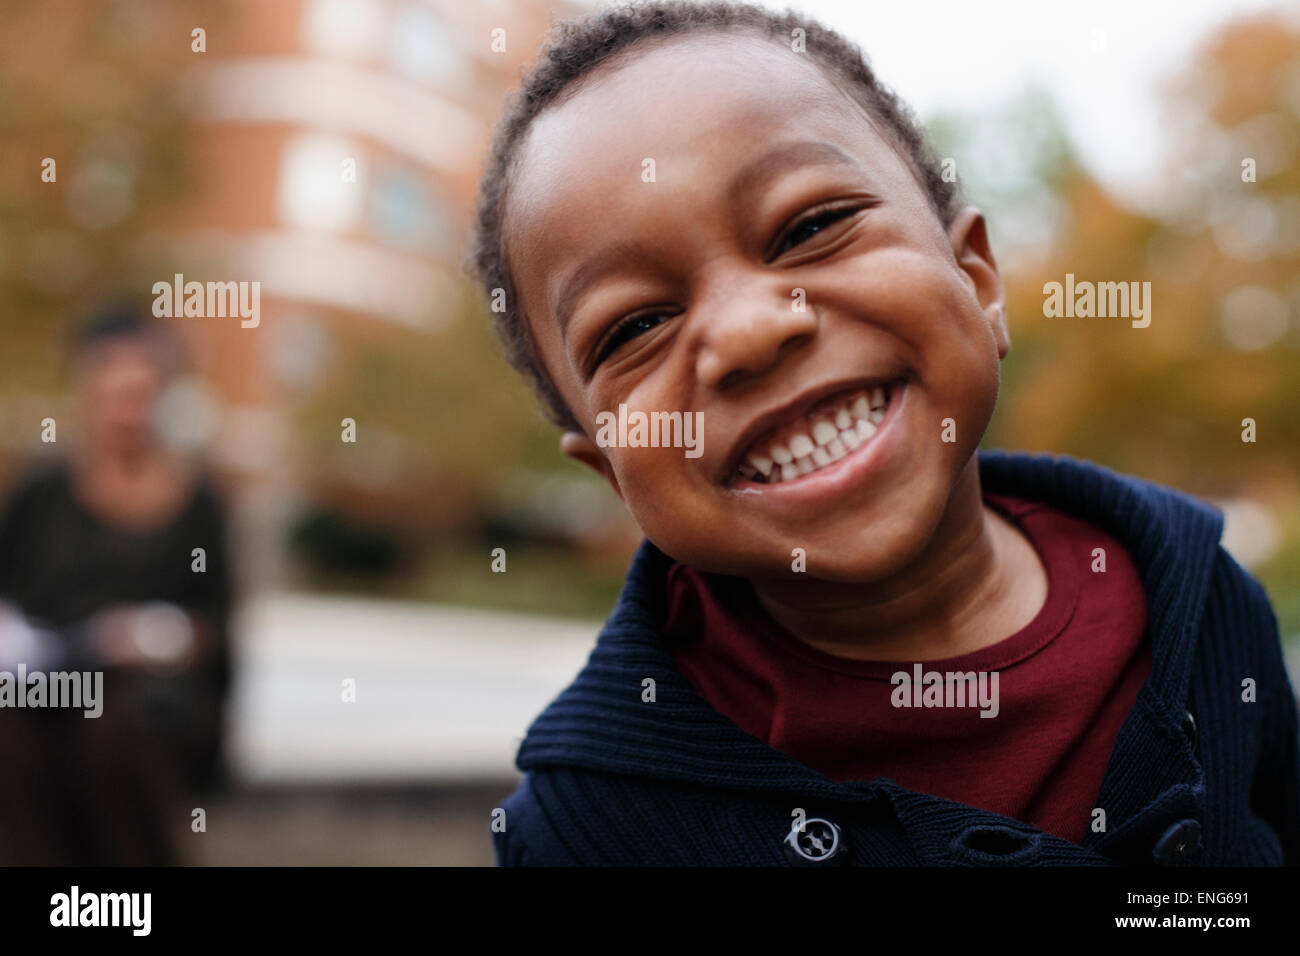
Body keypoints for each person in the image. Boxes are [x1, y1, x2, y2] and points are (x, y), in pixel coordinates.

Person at [465, 1, 1300, 865]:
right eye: (634, 326)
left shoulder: (1204, 609)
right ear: (611, 473)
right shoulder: (584, 833)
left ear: (977, 284)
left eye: (811, 228)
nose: (751, 330)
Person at [0, 302, 234, 865]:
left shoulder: (195, 503)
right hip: (48, 684)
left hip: (149, 698)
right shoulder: (42, 493)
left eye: (140, 394)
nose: (125, 412)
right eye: (112, 393)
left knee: (110, 733)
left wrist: (160, 635)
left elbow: (219, 627)